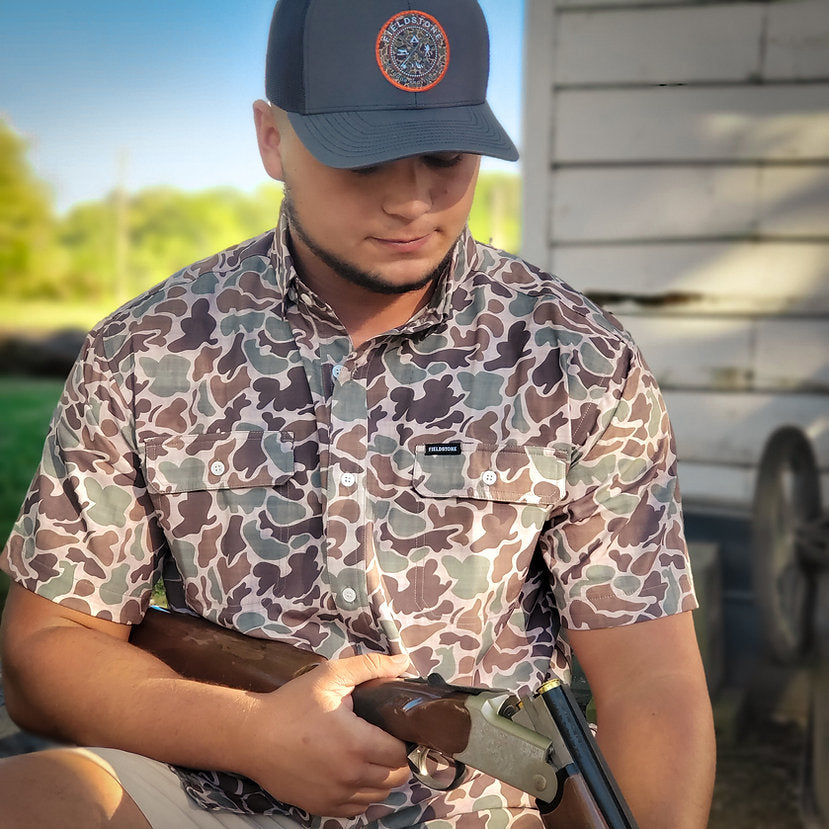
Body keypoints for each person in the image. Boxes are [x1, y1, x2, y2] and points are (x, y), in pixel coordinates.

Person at [0, 0, 716, 826]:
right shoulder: (145, 348)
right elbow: (46, 650)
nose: (412, 201)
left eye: (444, 157)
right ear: (272, 139)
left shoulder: (576, 360)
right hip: (213, 792)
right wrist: (252, 734)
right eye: (363, 159)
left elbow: (649, 681)